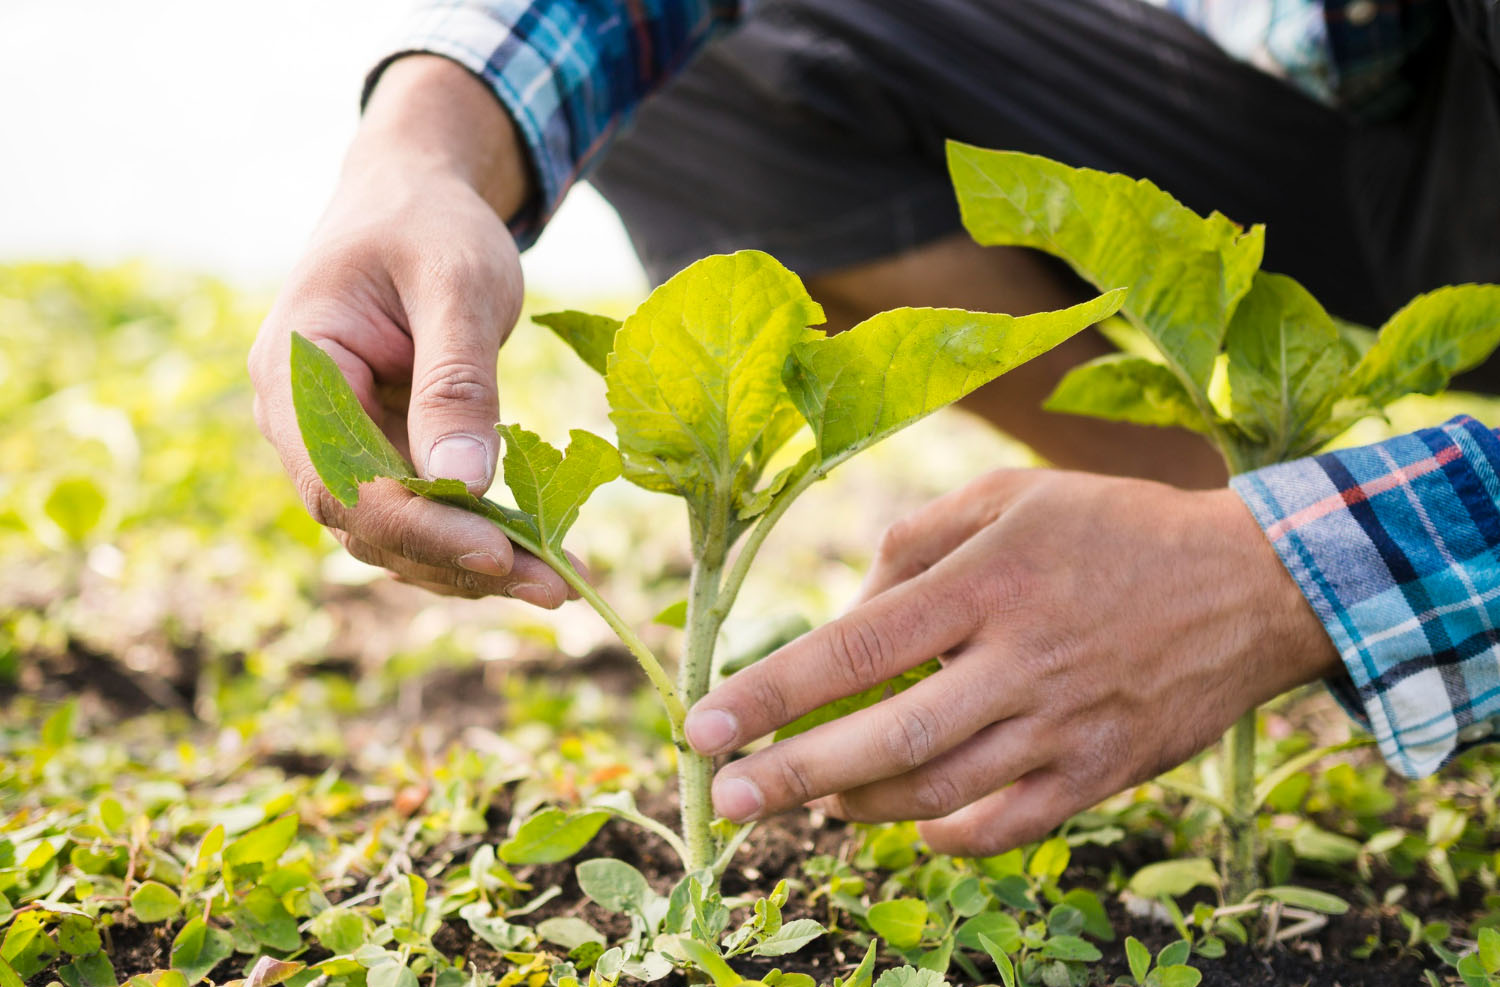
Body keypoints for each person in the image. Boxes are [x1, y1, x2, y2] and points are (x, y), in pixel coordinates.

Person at [248, 0, 1500, 856]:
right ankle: (1199, 513)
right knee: (739, 69)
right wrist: (424, 150)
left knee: (1269, 575)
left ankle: (1242, 578)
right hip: (1373, 80)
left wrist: (1289, 576)